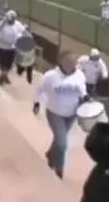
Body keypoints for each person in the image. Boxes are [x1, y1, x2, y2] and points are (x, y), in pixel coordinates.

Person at [34, 49, 89, 179]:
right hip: (55, 113)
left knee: (59, 140)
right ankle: (59, 168)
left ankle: (50, 154)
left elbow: (82, 89)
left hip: (71, 114)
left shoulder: (80, 75)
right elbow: (39, 89)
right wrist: (36, 103)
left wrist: (85, 97)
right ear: (61, 62)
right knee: (62, 143)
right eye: (68, 62)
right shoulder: (50, 76)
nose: (71, 66)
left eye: (73, 63)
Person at [0, 10, 26, 86]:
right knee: (2, 64)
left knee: (8, 65)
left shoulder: (17, 24)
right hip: (2, 48)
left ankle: (4, 76)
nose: (12, 20)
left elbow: (22, 31)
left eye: (13, 18)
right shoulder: (2, 25)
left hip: (11, 49)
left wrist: (24, 28)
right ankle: (2, 78)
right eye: (11, 18)